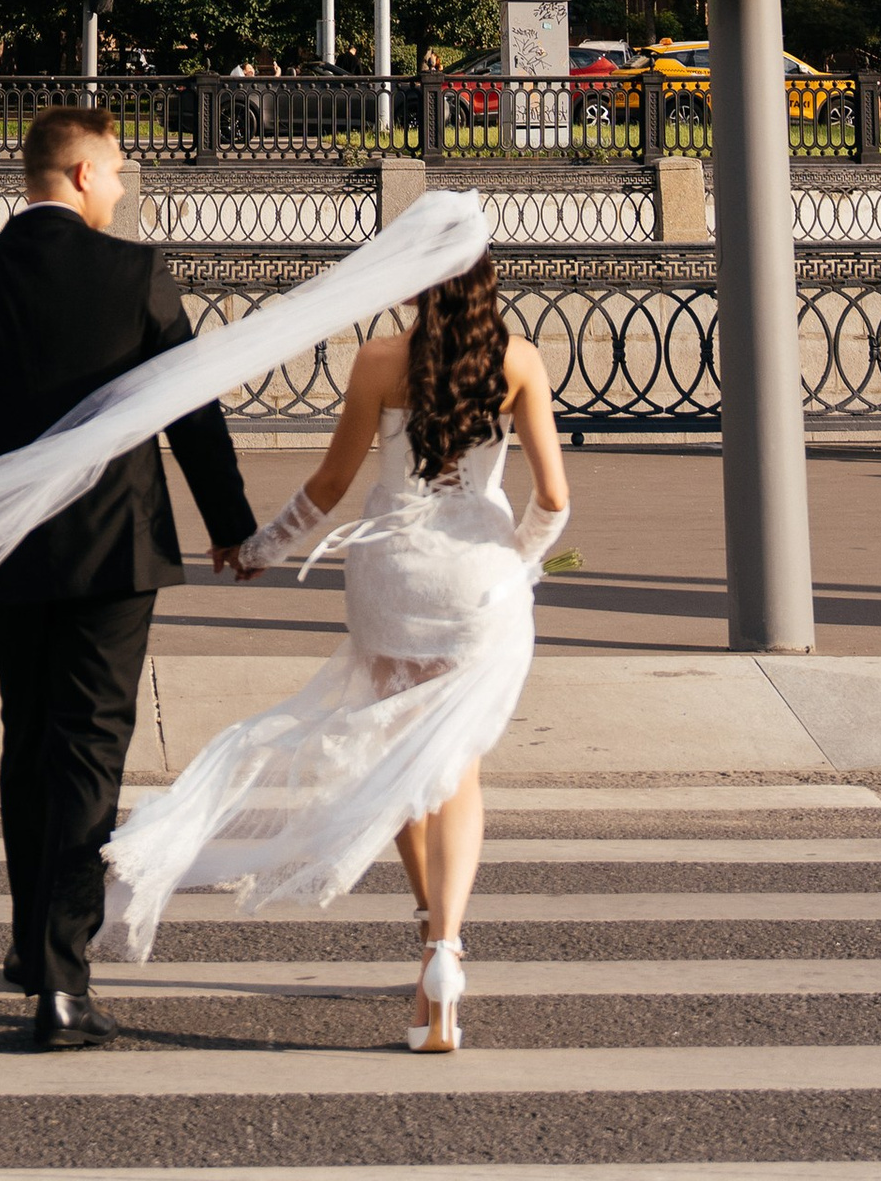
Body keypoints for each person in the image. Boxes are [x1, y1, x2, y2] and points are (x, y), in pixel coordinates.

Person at [101, 242, 569, 1056]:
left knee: (397, 761)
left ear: (419, 283)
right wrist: (517, 566)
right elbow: (555, 500)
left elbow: (328, 485)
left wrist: (255, 550)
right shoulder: (519, 360)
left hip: (392, 578)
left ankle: (430, 932)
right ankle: (445, 951)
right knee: (456, 768)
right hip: (476, 583)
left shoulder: (380, 360)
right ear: (489, 280)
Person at [0, 104, 256, 1052]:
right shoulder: (135, 273)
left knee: (27, 742)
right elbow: (192, 417)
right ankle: (61, 979)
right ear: (84, 174)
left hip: (4, 551)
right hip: (114, 552)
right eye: (120, 169)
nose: (125, 185)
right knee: (90, 752)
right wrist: (232, 527)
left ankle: (26, 943)